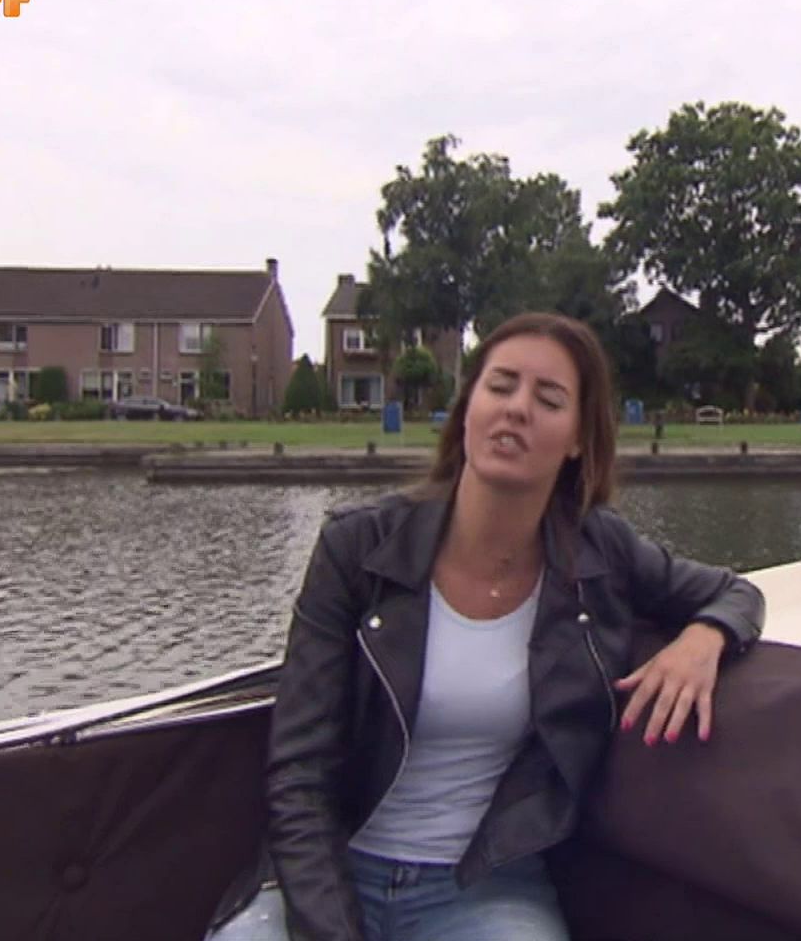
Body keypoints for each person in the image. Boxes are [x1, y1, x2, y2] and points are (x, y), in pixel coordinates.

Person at [260, 312, 766, 941]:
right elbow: (299, 773)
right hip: (330, 872)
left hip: (481, 888)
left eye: (548, 399)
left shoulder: (600, 552)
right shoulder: (357, 548)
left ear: (577, 438)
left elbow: (735, 592)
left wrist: (703, 639)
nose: (517, 409)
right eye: (500, 386)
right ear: (467, 410)